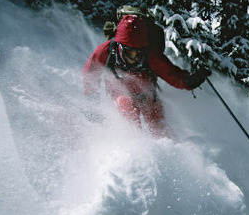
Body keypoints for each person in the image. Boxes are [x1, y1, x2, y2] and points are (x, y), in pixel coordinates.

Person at [83, 14, 211, 137]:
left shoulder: (151, 55)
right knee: (127, 109)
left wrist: (193, 79)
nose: (135, 57)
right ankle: (134, 149)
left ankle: (171, 149)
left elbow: (174, 76)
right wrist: (91, 100)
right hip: (121, 93)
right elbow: (90, 73)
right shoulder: (105, 51)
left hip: (148, 94)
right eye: (130, 52)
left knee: (158, 125)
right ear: (119, 47)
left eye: (138, 52)